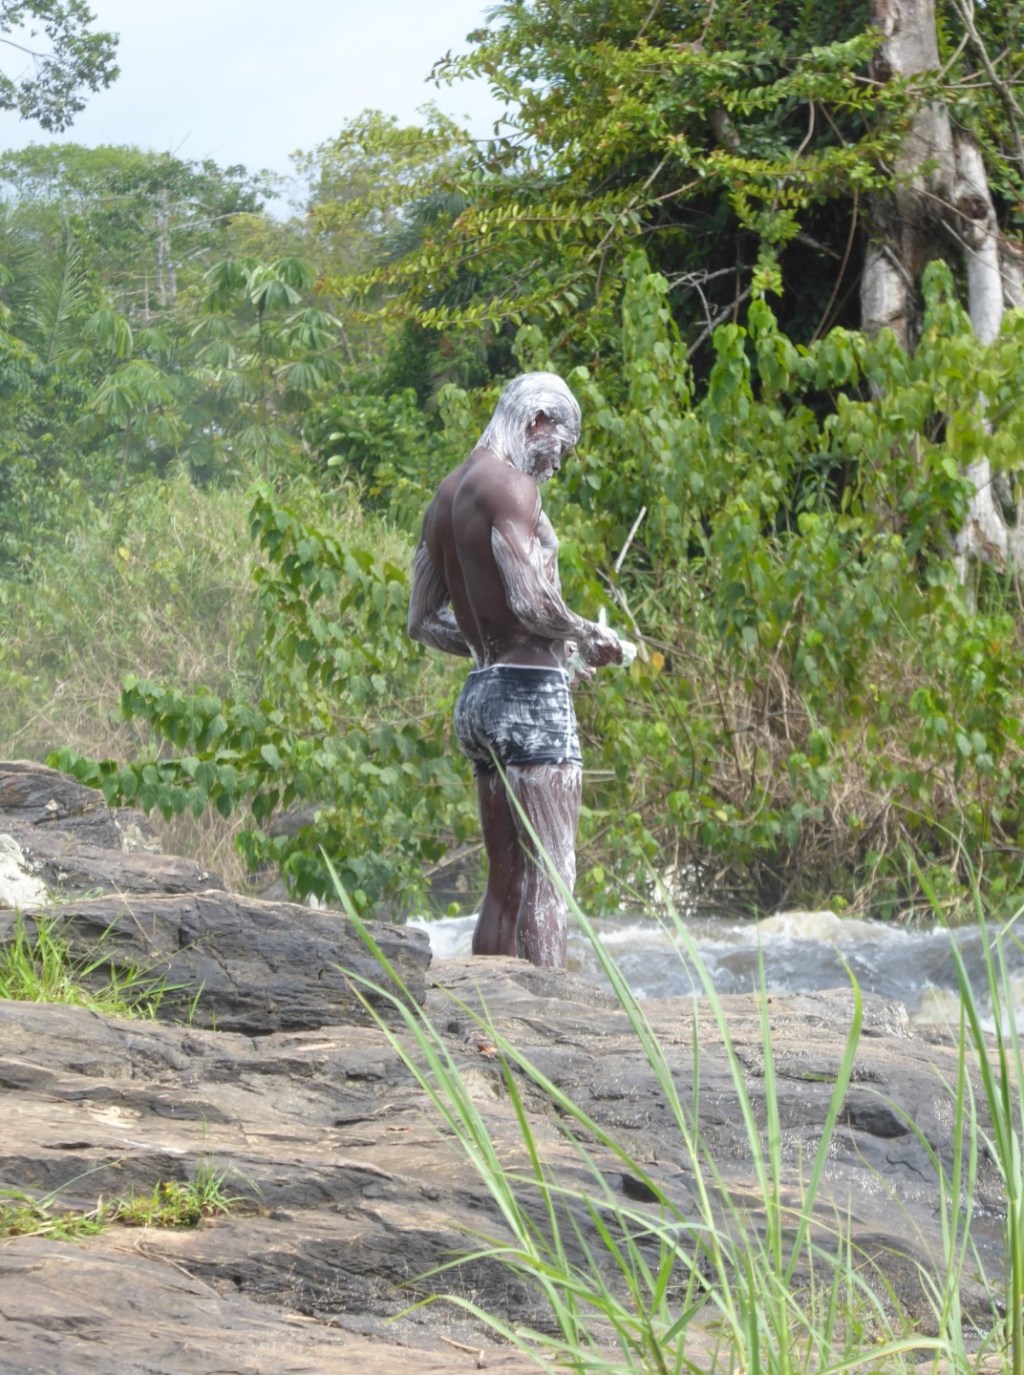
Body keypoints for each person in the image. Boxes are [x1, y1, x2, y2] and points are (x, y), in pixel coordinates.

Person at [407, 372, 623, 968]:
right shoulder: (512, 488)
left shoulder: (445, 498)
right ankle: (544, 1029)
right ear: (537, 423)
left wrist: (503, 647)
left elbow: (422, 621)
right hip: (531, 700)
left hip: (480, 697)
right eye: (562, 447)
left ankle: (487, 1020)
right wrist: (589, 636)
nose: (556, 465)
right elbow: (532, 604)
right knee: (550, 880)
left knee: (504, 879)